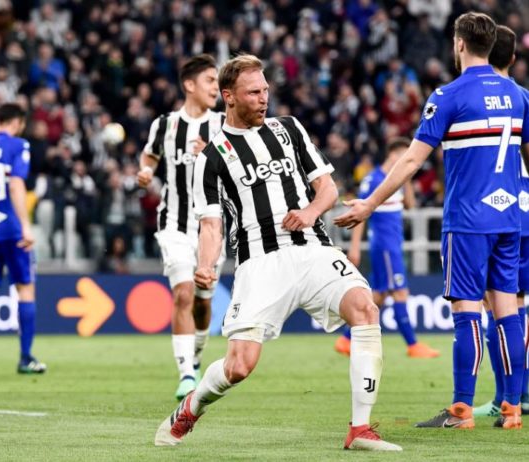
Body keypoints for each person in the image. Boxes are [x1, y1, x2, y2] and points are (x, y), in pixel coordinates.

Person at [154, 54, 402, 451]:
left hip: (313, 249)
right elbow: (211, 225)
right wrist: (205, 265)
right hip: (260, 263)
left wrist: (310, 213)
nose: (263, 98)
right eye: (254, 92)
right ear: (229, 96)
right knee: (239, 366)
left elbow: (327, 188)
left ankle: (360, 428)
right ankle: (191, 407)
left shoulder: (288, 129)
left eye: (266, 90)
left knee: (365, 308)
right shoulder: (211, 158)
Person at [334, 12, 529, 429]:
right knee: (508, 311)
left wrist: (369, 204)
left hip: (468, 221)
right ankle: (512, 408)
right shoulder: (519, 96)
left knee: (467, 310)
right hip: (509, 219)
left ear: (459, 44)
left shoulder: (449, 95)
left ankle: (461, 409)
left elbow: (411, 161)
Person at [137, 54, 225, 401]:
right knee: (183, 293)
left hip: (211, 228)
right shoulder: (165, 125)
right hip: (173, 223)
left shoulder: (223, 124)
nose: (216, 88)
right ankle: (187, 373)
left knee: (203, 301)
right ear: (189, 85)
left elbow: (236, 171)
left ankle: (196, 356)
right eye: (210, 81)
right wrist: (146, 171)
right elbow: (150, 155)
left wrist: (211, 155)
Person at [335, 137, 439, 359]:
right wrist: (355, 248)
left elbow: (410, 206)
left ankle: (346, 339)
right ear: (392, 155)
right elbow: (359, 213)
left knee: (379, 295)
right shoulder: (374, 180)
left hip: (392, 243)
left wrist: (406, 178)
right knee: (400, 291)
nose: (408, 159)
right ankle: (413, 345)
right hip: (385, 245)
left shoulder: (395, 181)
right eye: (404, 155)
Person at [471, 25, 529, 418]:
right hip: (522, 212)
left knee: (499, 304)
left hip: (497, 215)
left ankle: (505, 397)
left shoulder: (475, 96)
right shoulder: (523, 98)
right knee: (515, 304)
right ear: (512, 58)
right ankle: (520, 395)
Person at [0, 103, 46, 374]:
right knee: (25, 289)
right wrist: (25, 225)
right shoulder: (18, 145)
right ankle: (26, 358)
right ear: (17, 122)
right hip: (11, 229)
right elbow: (16, 184)